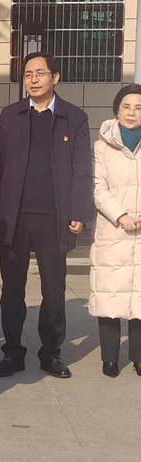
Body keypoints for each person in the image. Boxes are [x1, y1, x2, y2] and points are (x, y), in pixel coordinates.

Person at [0, 52, 92, 379]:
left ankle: (51, 353)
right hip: (14, 216)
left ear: (55, 77)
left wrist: (78, 211)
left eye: (40, 73)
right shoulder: (10, 115)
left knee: (54, 290)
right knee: (12, 290)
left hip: (54, 217)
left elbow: (82, 170)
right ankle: (12, 352)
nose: (33, 79)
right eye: (28, 74)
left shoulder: (74, 118)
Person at [89, 83, 141, 378]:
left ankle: (139, 356)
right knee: (109, 295)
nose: (132, 113)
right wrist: (121, 216)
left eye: (138, 108)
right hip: (113, 230)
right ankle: (109, 358)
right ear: (117, 110)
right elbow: (98, 188)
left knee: (140, 296)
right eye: (126, 107)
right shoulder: (102, 146)